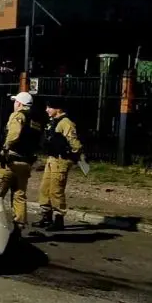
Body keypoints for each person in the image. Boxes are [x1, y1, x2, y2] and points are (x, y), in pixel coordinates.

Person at [33, 98, 85, 231]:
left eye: (49, 107)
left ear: (58, 108)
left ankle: (58, 219)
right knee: (45, 189)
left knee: (56, 190)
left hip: (61, 160)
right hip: (52, 159)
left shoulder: (66, 123)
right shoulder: (54, 121)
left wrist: (74, 156)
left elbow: (74, 143)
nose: (46, 110)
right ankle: (46, 216)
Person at [0, 92, 43, 231]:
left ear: (20, 103)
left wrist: (5, 148)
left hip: (11, 161)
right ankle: (19, 226)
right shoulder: (36, 120)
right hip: (26, 162)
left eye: (15, 102)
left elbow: (14, 134)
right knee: (19, 194)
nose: (14, 104)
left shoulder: (18, 115)